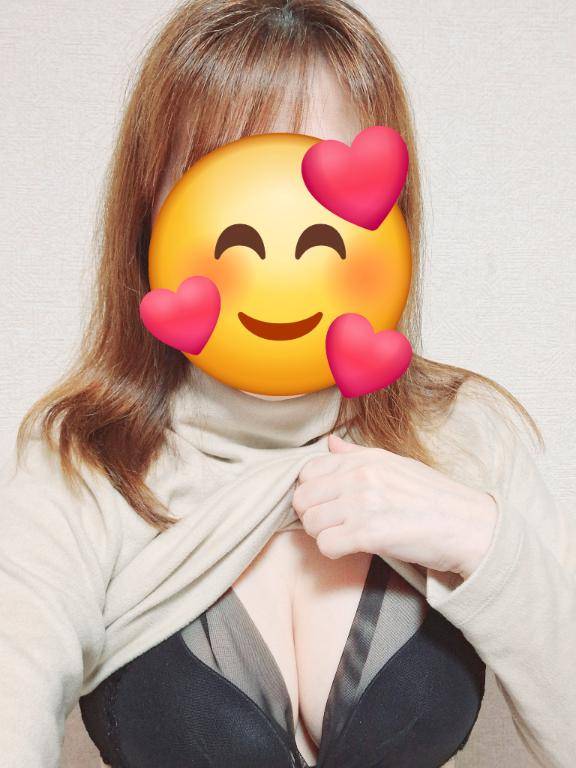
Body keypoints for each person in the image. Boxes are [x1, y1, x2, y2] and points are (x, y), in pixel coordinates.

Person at [1, 2, 574, 767]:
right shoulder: (85, 459)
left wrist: (483, 543)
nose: (274, 238)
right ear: (151, 207)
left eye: (308, 173)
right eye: (228, 176)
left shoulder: (466, 433)